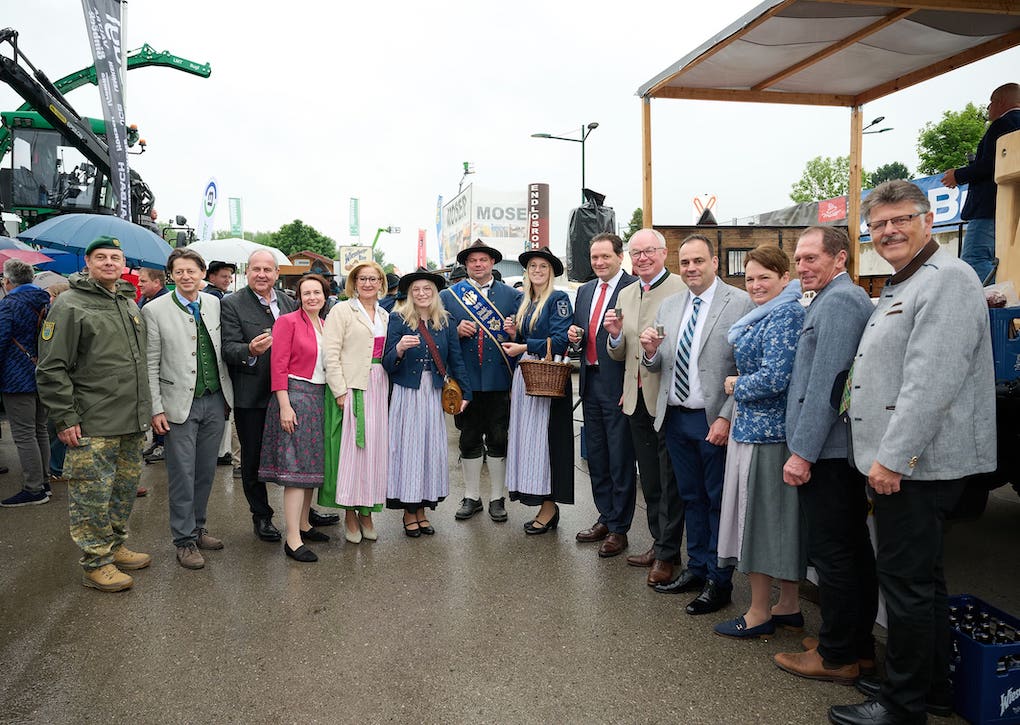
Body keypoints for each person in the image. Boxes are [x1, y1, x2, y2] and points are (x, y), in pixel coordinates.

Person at [829, 180, 996, 725]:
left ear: (928, 221)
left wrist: (894, 459)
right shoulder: (906, 281)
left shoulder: (947, 279)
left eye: (901, 219)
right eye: (878, 224)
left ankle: (902, 709)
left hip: (916, 466)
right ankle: (929, 688)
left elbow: (931, 383)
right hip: (902, 462)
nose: (889, 231)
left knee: (905, 585)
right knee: (922, 580)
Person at [773, 227, 878, 686]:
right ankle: (857, 646)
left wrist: (803, 453)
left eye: (811, 258)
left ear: (840, 259)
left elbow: (828, 386)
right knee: (851, 550)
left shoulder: (838, 302)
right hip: (832, 452)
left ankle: (837, 656)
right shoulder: (837, 297)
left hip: (827, 453)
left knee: (834, 554)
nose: (801, 267)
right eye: (798, 260)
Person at [643, 235, 753, 614]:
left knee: (717, 500)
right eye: (685, 262)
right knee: (690, 498)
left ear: (715, 262)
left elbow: (745, 367)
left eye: (698, 261)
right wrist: (649, 353)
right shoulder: (671, 305)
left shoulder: (739, 303)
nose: (691, 268)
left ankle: (719, 581)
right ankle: (697, 567)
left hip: (713, 420)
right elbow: (657, 365)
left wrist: (725, 415)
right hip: (675, 417)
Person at [35, 236, 153, 592]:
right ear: (87, 262)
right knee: (91, 494)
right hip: (93, 420)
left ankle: (114, 546)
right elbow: (51, 367)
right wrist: (65, 417)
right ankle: (95, 562)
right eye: (100, 257)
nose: (108, 263)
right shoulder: (70, 304)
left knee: (122, 489)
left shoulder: (127, 302)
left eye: (115, 257)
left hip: (130, 419)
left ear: (123, 264)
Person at [713, 245, 805, 639]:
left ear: (785, 278)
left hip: (768, 434)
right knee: (774, 522)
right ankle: (788, 605)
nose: (755, 285)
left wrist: (735, 384)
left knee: (760, 523)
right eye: (749, 278)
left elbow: (775, 378)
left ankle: (757, 612)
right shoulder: (768, 313)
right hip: (754, 430)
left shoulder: (785, 314)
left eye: (764, 277)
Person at [141, 248, 233, 569]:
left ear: (202, 273)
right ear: (171, 276)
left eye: (191, 271)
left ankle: (198, 527)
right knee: (182, 473)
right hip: (177, 404)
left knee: (206, 471)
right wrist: (155, 408)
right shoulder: (155, 310)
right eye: (179, 272)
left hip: (214, 399)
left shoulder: (214, 303)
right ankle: (183, 540)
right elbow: (151, 363)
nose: (186, 277)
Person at [604, 228, 686, 586]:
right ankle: (658, 542)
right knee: (650, 480)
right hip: (635, 398)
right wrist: (616, 335)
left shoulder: (682, 289)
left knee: (670, 481)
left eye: (648, 252)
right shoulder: (626, 292)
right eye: (635, 254)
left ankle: (668, 554)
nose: (642, 259)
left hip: (668, 398)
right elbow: (621, 353)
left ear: (663, 253)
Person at [440, 239, 523, 523]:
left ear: (492, 263)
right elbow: (437, 330)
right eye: (473, 260)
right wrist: (454, 328)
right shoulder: (449, 296)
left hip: (501, 379)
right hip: (466, 381)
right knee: (469, 438)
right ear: (465, 265)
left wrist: (514, 332)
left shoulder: (511, 296)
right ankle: (472, 497)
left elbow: (522, 335)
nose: (478, 264)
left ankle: (497, 498)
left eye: (483, 260)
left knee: (499, 439)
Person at [383, 268, 471, 536]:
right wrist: (398, 349)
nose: (422, 294)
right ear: (410, 294)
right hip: (407, 393)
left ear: (434, 294)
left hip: (433, 393)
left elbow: (455, 359)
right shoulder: (397, 319)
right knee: (409, 452)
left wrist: (466, 393)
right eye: (417, 290)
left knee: (429, 452)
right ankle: (409, 513)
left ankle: (422, 509)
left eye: (427, 290)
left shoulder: (445, 321)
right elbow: (386, 363)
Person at [567, 233, 637, 557]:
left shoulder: (634, 289)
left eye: (605, 257)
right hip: (590, 382)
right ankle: (605, 516)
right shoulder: (583, 291)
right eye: (594, 258)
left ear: (620, 257)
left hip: (619, 387)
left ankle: (620, 528)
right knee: (596, 455)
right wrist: (575, 338)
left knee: (620, 456)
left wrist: (632, 384)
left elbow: (637, 342)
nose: (599, 263)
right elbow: (580, 340)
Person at [221, 251, 297, 542]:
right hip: (252, 395)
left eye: (268, 269)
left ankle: (302, 512)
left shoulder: (289, 302)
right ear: (247, 271)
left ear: (277, 273)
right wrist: (249, 351)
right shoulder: (232, 303)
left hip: (290, 394)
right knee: (252, 460)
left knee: (295, 453)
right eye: (256, 269)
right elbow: (228, 349)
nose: (262, 274)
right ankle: (262, 516)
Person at [259, 274, 331, 563]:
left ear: (325, 296)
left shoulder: (325, 325)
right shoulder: (287, 322)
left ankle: (304, 524)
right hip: (295, 397)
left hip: (319, 398)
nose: (312, 297)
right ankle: (292, 539)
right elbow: (278, 366)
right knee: (295, 470)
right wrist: (284, 405)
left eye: (317, 292)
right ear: (298, 297)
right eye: (306, 293)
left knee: (310, 468)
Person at [501, 247, 574, 533]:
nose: (538, 271)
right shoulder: (526, 300)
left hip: (547, 378)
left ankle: (549, 506)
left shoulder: (557, 298)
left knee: (547, 444)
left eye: (543, 266)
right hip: (527, 377)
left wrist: (523, 346)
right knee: (530, 442)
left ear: (552, 271)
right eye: (533, 266)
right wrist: (512, 335)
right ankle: (542, 501)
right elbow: (525, 337)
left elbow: (559, 341)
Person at [322, 261, 389, 543]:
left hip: (378, 384)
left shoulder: (386, 314)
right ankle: (349, 512)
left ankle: (367, 512)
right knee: (349, 453)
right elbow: (331, 352)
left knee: (373, 453)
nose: (368, 283)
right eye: (362, 278)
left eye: (374, 279)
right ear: (354, 282)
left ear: (381, 283)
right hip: (352, 386)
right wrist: (339, 390)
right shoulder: (342, 310)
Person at [941, 82, 1020, 284]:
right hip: (1012, 209)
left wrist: (958, 175)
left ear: (999, 102)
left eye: (990, 103)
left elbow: (991, 165)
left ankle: (995, 305)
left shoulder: (1003, 124)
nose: (988, 109)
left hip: (990, 208)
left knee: (975, 258)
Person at [0, 259, 53, 507]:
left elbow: (1, 341)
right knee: (40, 429)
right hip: (42, 372)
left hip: (15, 376)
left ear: (8, 281)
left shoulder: (9, 304)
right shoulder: (45, 300)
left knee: (23, 434)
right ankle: (44, 482)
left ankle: (34, 489)